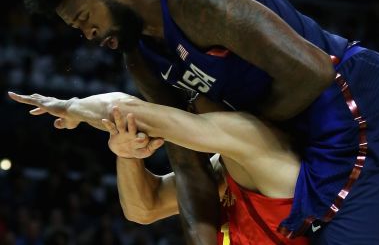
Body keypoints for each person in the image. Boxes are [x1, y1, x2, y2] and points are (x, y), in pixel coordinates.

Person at [22, 0, 379, 243]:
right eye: (77, 30)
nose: (88, 35)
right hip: (297, 120)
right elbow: (186, 163)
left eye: (85, 18)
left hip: (354, 98)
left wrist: (242, 132)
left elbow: (311, 73)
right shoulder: (140, 59)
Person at [104, 95, 309, 244]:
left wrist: (127, 152)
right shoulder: (241, 165)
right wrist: (127, 152)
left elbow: (144, 208)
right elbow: (145, 208)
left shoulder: (250, 163)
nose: (193, 108)